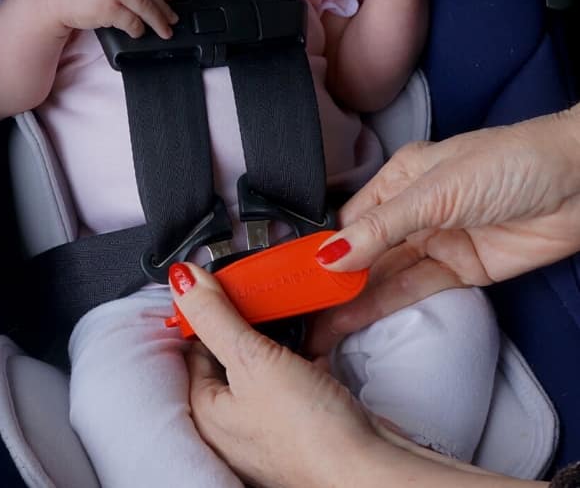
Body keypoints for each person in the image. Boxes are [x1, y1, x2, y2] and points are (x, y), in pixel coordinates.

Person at [0, 0, 497, 484]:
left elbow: (361, 85)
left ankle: (404, 459)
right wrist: (49, 8)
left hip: (328, 246)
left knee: (451, 314)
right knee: (114, 396)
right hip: (148, 283)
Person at [171, 106, 580, 488]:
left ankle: (422, 446)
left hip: (312, 250)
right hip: (143, 300)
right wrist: (565, 149)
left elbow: (369, 82)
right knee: (136, 407)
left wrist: (361, 468)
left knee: (453, 309)